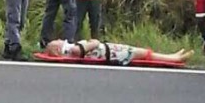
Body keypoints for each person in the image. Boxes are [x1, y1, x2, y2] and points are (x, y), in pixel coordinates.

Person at [43, 38, 193, 64]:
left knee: (141, 52)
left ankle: (173, 56)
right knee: (142, 53)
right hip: (113, 53)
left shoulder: (71, 49)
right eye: (55, 41)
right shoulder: (72, 50)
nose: (58, 39)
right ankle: (173, 58)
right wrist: (92, 42)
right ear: (57, 49)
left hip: (110, 50)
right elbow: (90, 45)